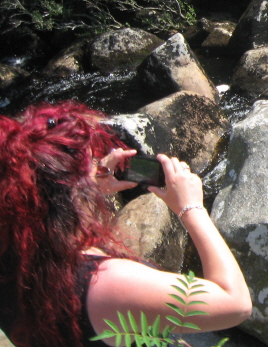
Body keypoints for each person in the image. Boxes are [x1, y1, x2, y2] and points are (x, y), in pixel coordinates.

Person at [0, 101, 253, 347]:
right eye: (93, 165)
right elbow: (235, 303)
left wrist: (89, 193)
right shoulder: (107, 285)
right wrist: (192, 208)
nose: (100, 167)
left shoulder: (15, 248)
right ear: (70, 192)